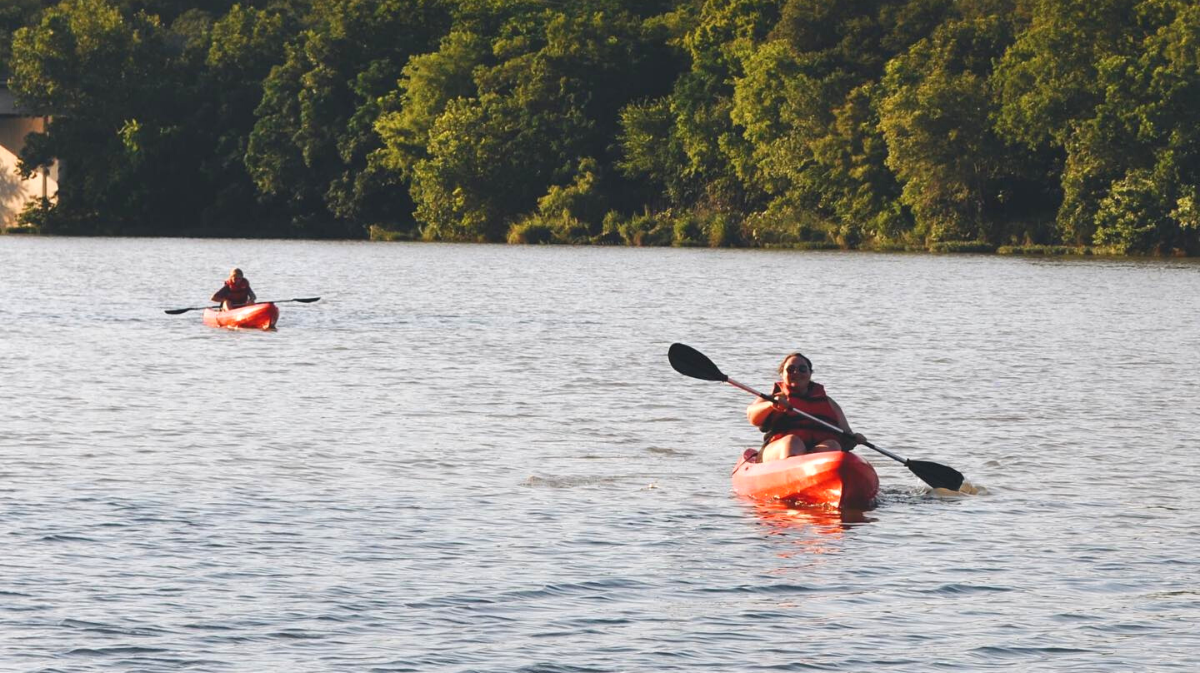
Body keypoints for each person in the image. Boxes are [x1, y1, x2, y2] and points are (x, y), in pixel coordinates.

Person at [745, 352, 867, 462]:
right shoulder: (774, 398)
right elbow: (752, 416)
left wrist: (855, 438)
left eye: (802, 369)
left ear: (810, 373)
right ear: (782, 374)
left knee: (833, 445)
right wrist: (771, 405)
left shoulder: (829, 403)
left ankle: (818, 476)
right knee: (792, 442)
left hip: (816, 457)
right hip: (777, 453)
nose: (796, 372)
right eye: (791, 369)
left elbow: (846, 434)